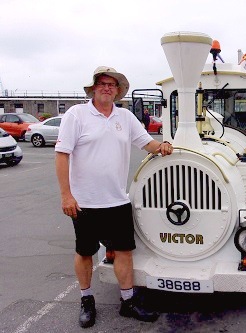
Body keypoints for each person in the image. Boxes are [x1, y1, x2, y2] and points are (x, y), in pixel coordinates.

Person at [55, 66, 173, 328]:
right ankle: (87, 300)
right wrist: (66, 195)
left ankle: (128, 301)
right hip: (84, 203)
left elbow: (147, 144)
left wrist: (163, 146)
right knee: (84, 252)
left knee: (124, 252)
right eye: (102, 83)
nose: (107, 88)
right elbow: (62, 155)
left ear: (118, 90)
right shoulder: (76, 115)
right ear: (94, 88)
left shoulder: (126, 117)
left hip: (118, 201)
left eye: (112, 84)